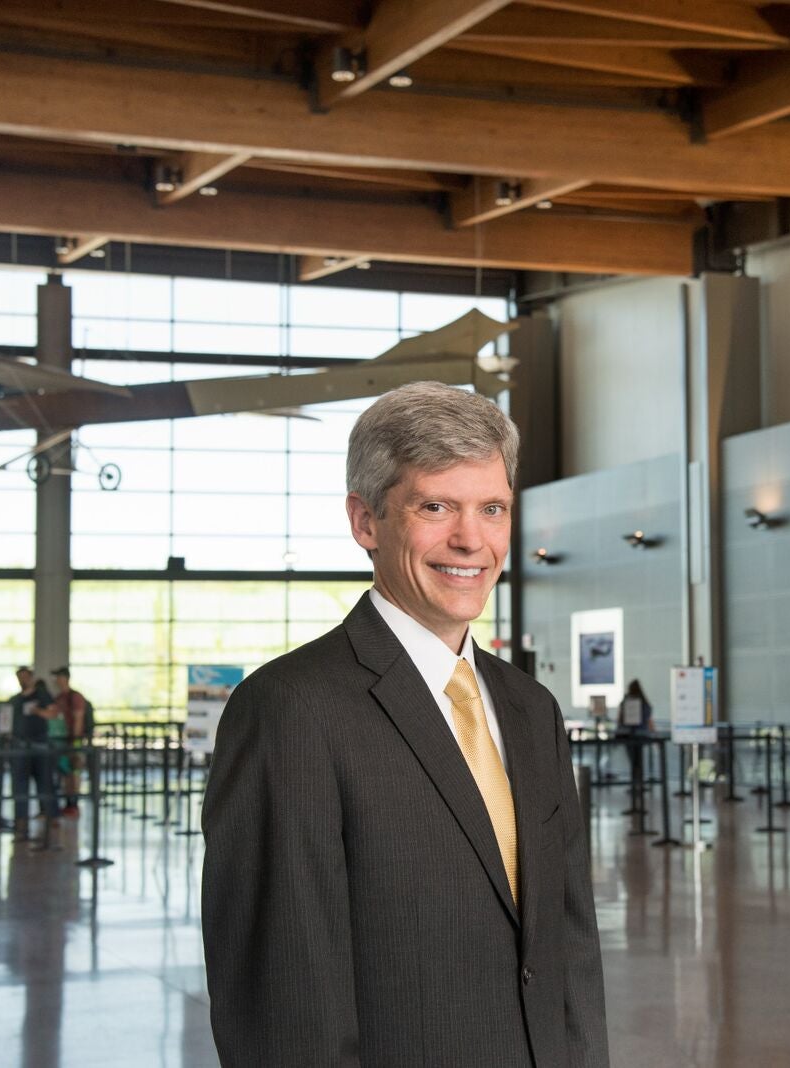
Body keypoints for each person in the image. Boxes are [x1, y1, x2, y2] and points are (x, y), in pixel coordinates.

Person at [202, 382, 609, 1067]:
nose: (471, 540)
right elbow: (283, 1004)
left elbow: (567, 949)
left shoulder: (531, 710)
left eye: (492, 509)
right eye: (436, 506)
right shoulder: (290, 711)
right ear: (366, 522)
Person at [7, 666, 57, 838]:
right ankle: (21, 820)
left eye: (26, 677)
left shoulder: (42, 695)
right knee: (20, 785)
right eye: (20, 677)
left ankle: (51, 815)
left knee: (44, 782)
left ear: (31, 678)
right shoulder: (14, 700)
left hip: (40, 745)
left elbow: (53, 713)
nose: (23, 680)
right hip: (20, 747)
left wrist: (38, 711)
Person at [49, 667, 88, 814]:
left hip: (73, 740)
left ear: (65, 678)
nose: (56, 681)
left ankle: (74, 803)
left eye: (58, 677)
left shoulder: (75, 697)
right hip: (62, 740)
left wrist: (74, 741)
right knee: (66, 772)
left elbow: (78, 719)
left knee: (74, 771)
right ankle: (68, 802)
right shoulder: (59, 698)